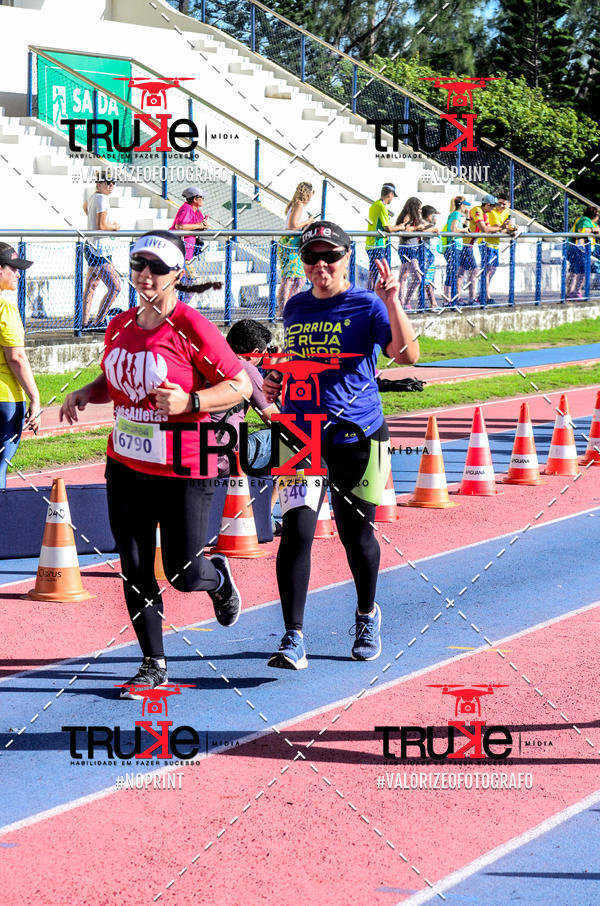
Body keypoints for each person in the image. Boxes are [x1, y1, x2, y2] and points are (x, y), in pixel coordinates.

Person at [60, 230, 252, 696]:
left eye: (157, 268)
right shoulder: (120, 325)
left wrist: (191, 400)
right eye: (139, 265)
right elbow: (121, 379)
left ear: (177, 275)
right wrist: (90, 392)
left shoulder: (191, 327)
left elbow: (241, 385)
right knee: (135, 564)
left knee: (185, 573)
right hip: (126, 463)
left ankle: (217, 577)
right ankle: (153, 661)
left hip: (187, 465)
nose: (146, 275)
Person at [263, 220, 419, 670]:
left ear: (347, 258)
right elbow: (297, 359)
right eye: (311, 257)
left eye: (329, 256)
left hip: (359, 433)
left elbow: (407, 356)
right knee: (295, 533)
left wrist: (392, 301)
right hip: (300, 432)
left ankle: (367, 614)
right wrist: (277, 376)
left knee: (357, 535)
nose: (319, 266)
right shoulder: (294, 307)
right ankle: (293, 636)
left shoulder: (367, 304)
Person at [210, 318, 281, 529]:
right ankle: (262, 520)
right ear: (256, 352)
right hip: (222, 457)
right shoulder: (245, 368)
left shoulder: (208, 361)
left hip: (190, 452)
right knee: (293, 441)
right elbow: (276, 420)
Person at [0, 244, 40, 487]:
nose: (18, 274)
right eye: (13, 268)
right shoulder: (5, 308)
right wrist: (35, 398)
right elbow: (16, 357)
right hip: (4, 398)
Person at [82, 173, 121, 329]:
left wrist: (92, 220)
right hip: (99, 251)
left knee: (91, 285)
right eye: (108, 183)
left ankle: (84, 323)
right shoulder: (101, 199)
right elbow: (101, 226)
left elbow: (85, 207)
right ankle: (97, 322)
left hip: (92, 247)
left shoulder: (94, 197)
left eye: (113, 183)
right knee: (116, 286)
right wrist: (115, 227)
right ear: (99, 184)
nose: (111, 186)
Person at [277, 182, 315, 316]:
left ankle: (288, 306)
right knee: (290, 278)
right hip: (290, 245)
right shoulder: (298, 204)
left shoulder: (298, 205)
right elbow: (292, 226)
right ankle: (283, 310)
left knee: (299, 279)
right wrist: (308, 222)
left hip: (294, 245)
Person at [171, 186, 209, 298]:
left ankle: (178, 306)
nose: (203, 199)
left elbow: (199, 224)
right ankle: (174, 307)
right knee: (186, 280)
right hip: (178, 251)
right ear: (195, 199)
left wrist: (204, 225)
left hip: (186, 254)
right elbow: (180, 226)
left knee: (189, 281)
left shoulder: (197, 211)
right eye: (201, 197)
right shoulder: (186, 208)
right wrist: (199, 225)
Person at [365, 183, 405, 291]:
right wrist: (400, 226)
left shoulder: (374, 205)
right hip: (377, 244)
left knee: (373, 273)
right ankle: (374, 296)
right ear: (390, 194)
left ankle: (371, 295)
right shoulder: (381, 206)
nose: (392, 198)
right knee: (381, 273)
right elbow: (388, 228)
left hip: (371, 244)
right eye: (393, 196)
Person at [462, 194, 499, 305]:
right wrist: (501, 228)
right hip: (465, 244)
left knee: (464, 272)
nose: (493, 209)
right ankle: (471, 298)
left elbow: (489, 229)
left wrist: (501, 229)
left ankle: (468, 298)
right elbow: (485, 229)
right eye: (492, 206)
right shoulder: (477, 210)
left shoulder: (485, 214)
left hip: (470, 244)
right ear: (487, 204)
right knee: (471, 271)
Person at [403, 204, 440, 309]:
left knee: (428, 280)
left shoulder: (430, 224)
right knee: (418, 279)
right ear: (429, 216)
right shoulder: (423, 223)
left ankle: (433, 303)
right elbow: (422, 231)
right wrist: (433, 229)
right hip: (424, 254)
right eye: (433, 215)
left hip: (430, 256)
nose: (435, 218)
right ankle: (407, 302)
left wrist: (434, 227)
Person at [483, 193, 515, 303]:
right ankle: (486, 296)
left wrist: (512, 229)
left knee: (492, 270)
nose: (500, 206)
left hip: (495, 244)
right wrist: (510, 231)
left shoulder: (506, 212)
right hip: (486, 243)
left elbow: (507, 227)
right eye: (499, 203)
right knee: (488, 270)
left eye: (503, 204)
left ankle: (483, 293)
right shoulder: (493, 212)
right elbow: (500, 229)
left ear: (509, 204)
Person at [394, 196, 423, 308]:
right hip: (407, 248)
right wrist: (417, 228)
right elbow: (405, 229)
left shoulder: (415, 217)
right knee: (416, 276)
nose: (420, 211)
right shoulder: (408, 216)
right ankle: (403, 301)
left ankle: (404, 302)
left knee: (404, 275)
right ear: (414, 207)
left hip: (412, 248)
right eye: (419, 208)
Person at [567, 206, 600, 300]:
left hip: (578, 249)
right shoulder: (585, 220)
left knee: (576, 271)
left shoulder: (587, 221)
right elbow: (582, 231)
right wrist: (594, 230)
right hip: (578, 249)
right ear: (595, 215)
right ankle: (574, 292)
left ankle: (572, 292)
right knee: (579, 271)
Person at [442, 197, 470, 304]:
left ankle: (451, 298)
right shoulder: (456, 214)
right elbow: (454, 229)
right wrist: (463, 230)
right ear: (461, 205)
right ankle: (447, 299)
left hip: (457, 247)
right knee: (451, 272)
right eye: (465, 205)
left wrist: (467, 217)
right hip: (453, 246)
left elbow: (465, 227)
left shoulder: (457, 215)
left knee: (453, 272)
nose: (466, 207)